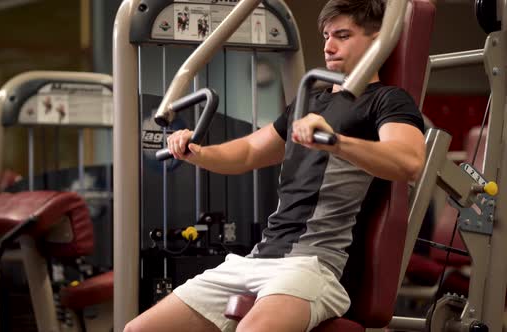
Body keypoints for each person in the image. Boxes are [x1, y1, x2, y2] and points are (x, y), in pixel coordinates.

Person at [125, 0, 425, 331]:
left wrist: (335, 141)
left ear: (377, 40)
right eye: (326, 35)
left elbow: (409, 161)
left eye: (343, 35)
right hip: (258, 258)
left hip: (314, 264)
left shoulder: (387, 100)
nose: (328, 45)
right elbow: (250, 152)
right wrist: (197, 152)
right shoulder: (310, 100)